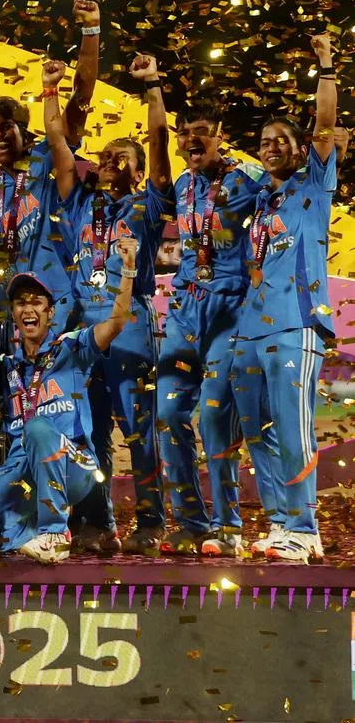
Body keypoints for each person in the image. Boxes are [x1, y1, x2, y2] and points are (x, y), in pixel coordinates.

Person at [0, 240, 141, 564]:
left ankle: (55, 532)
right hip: (24, 472)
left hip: (74, 465)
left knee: (37, 429)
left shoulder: (70, 349)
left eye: (37, 302)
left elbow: (116, 322)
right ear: (14, 313)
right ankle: (28, 533)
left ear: (50, 311)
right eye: (20, 303)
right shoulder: (6, 367)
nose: (28, 309)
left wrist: (128, 270)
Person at [43, 55, 173, 555]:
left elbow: (161, 147)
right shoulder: (78, 201)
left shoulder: (148, 206)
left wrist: (152, 88)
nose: (111, 163)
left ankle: (152, 520)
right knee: (87, 431)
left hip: (132, 324)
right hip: (81, 329)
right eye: (106, 156)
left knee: (139, 430)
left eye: (124, 158)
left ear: (140, 174)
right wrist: (50, 90)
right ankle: (96, 522)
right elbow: (59, 144)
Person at [227, 33, 338, 562]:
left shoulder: (313, 188)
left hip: (297, 324)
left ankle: (305, 527)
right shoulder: (262, 199)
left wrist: (325, 65)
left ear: (301, 148)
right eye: (263, 141)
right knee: (256, 430)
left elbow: (322, 125)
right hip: (251, 327)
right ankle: (279, 524)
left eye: (280, 140)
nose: (270, 146)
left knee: (294, 429)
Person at [155, 99, 274, 558]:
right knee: (167, 417)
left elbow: (285, 202)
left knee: (212, 416)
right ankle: (189, 522)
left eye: (202, 131)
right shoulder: (183, 184)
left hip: (231, 310)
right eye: (185, 133)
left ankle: (228, 526)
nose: (192, 141)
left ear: (220, 134)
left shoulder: (249, 179)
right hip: (186, 310)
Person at [0, 0, 102, 319]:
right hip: (16, 303)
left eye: (7, 127)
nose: (0, 136)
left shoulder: (44, 158)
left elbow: (81, 101)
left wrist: (90, 32)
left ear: (23, 131)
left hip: (61, 298)